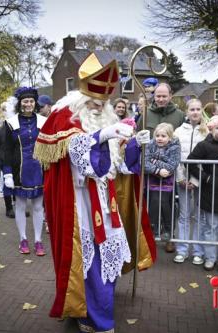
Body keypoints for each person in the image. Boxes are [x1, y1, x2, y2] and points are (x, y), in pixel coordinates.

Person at [33, 53, 156, 332]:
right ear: (81, 98)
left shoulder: (107, 118)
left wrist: (136, 143)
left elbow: (118, 165)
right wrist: (102, 136)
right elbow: (80, 160)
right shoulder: (64, 115)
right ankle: (94, 317)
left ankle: (97, 309)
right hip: (79, 202)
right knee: (89, 258)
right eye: (93, 102)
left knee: (106, 256)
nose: (99, 107)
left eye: (103, 103)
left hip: (105, 197)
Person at [188, 115, 218, 272]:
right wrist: (206, 178)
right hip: (210, 193)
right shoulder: (203, 145)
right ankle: (210, 258)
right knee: (211, 227)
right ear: (211, 129)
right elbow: (190, 162)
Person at [2, 87, 47, 256]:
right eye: (25, 101)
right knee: (20, 205)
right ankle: (23, 239)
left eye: (31, 101)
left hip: (39, 169)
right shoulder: (11, 122)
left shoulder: (43, 121)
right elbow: (6, 149)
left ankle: (38, 240)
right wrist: (7, 173)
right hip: (18, 170)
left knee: (37, 207)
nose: (28, 104)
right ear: (20, 104)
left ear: (35, 103)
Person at [173, 99, 209, 265]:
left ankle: (198, 251)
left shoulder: (207, 131)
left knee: (200, 216)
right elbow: (176, 156)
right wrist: (180, 178)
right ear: (186, 112)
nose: (195, 112)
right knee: (184, 215)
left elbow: (208, 158)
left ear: (202, 110)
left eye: (198, 109)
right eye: (192, 109)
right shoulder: (178, 131)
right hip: (183, 180)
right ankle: (182, 250)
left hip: (201, 180)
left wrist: (196, 180)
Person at [144, 122, 181, 252]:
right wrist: (157, 170)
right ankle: (152, 230)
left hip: (168, 183)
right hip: (152, 181)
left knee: (166, 205)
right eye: (157, 135)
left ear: (170, 137)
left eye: (163, 136)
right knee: (153, 204)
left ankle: (168, 231)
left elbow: (172, 164)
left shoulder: (175, 147)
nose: (160, 138)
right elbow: (144, 161)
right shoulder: (149, 145)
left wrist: (154, 161)